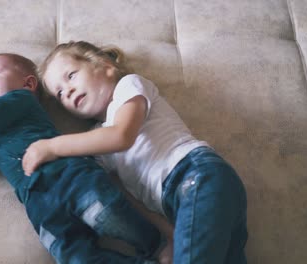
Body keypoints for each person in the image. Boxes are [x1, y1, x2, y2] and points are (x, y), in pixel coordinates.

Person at [0, 53, 167, 264]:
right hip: (38, 203)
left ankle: (156, 245)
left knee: (108, 215)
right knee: (70, 254)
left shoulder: (21, 102)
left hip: (69, 176)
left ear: (28, 84)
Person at [22, 41, 248, 264]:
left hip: (197, 175)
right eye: (60, 94)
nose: (68, 91)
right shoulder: (95, 143)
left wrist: (51, 146)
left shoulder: (129, 87)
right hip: (179, 204)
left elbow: (122, 135)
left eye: (71, 76)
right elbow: (127, 198)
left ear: (105, 65)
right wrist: (170, 236)